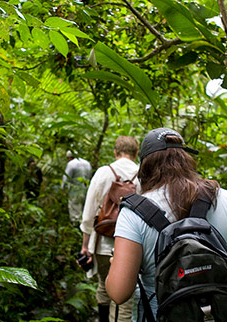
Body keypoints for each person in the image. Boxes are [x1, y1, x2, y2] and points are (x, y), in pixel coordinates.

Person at [106, 128, 227, 321]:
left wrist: (114, 266)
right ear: (186, 159)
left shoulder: (133, 214)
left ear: (145, 167)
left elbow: (119, 293)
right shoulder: (224, 198)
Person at [79, 136, 140, 322]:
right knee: (125, 297)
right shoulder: (142, 175)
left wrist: (85, 246)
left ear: (115, 152)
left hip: (102, 244)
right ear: (136, 153)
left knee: (104, 285)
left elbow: (89, 212)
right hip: (131, 246)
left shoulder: (104, 173)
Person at [62, 151, 92, 225]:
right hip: (86, 191)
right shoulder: (87, 163)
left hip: (75, 191)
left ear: (69, 158)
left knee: (75, 210)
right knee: (84, 210)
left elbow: (66, 178)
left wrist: (63, 188)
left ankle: (76, 227)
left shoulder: (71, 164)